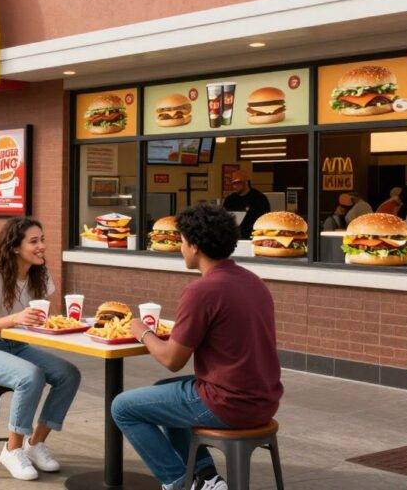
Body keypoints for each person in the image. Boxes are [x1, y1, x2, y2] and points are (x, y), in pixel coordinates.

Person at [112, 204, 283, 490]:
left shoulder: (202, 290)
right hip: (264, 399)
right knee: (159, 391)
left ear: (194, 245)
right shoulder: (253, 281)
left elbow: (172, 359)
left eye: (180, 241)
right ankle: (206, 479)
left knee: (122, 407)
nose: (180, 248)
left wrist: (142, 332)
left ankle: (178, 483)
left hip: (229, 403)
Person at [0, 217, 81, 481]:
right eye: (34, 241)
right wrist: (17, 318)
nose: (42, 246)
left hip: (17, 346)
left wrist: (63, 323)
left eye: (42, 240)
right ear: (15, 247)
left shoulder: (40, 273)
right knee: (30, 376)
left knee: (69, 374)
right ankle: (12, 449)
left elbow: (44, 317)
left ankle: (34, 444)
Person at [222, 170, 270, 239]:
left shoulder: (259, 198)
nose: (235, 186)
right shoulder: (230, 200)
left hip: (254, 237)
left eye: (238, 183)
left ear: (246, 182)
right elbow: (224, 220)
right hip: (234, 238)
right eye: (233, 183)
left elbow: (265, 220)